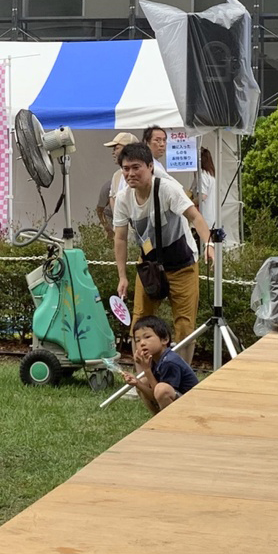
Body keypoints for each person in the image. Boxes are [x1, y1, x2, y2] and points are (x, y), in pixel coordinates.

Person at [110, 143, 213, 343]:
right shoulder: (123, 198)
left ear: (150, 166)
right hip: (149, 265)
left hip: (182, 264)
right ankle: (143, 364)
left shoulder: (167, 189)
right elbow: (120, 238)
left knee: (184, 327)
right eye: (126, 168)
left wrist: (209, 244)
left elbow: (195, 217)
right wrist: (122, 277)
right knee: (139, 322)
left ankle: (179, 364)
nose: (130, 173)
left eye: (136, 167)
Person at [121, 314, 197, 414]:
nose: (142, 343)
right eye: (137, 340)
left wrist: (147, 370)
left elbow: (160, 393)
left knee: (161, 389)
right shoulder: (154, 358)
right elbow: (155, 395)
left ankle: (169, 421)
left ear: (164, 340)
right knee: (143, 382)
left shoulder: (169, 361)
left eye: (147, 337)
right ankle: (157, 418)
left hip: (194, 405)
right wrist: (137, 383)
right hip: (177, 400)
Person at [94, 131, 138, 225]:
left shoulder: (143, 173)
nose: (113, 152)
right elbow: (112, 199)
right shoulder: (116, 176)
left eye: (116, 148)